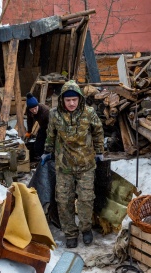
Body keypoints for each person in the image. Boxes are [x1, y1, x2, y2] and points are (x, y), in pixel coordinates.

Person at [42, 80, 104, 248]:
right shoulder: (55, 114)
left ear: (79, 99)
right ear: (62, 100)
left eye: (74, 100)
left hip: (86, 165)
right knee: (63, 201)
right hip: (64, 166)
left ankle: (86, 230)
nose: (71, 103)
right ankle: (70, 233)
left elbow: (98, 131)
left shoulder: (89, 113)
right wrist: (47, 152)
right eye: (68, 100)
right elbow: (51, 134)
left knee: (86, 199)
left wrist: (99, 151)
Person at [25, 92, 50, 160]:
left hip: (50, 126)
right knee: (38, 143)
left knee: (47, 142)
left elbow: (52, 124)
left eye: (35, 108)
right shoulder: (28, 110)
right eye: (32, 109)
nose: (34, 111)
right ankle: (39, 156)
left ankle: (48, 155)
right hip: (42, 126)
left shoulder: (45, 111)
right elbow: (29, 120)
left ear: (37, 105)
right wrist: (29, 131)